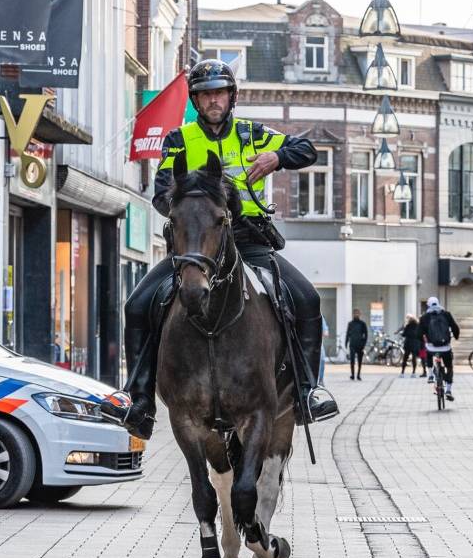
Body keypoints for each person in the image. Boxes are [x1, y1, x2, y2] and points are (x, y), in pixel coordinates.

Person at [116, 59, 339, 440]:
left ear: (231, 97)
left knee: (307, 300)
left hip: (249, 242)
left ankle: (307, 391)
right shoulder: (179, 140)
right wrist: (194, 217)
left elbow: (307, 150)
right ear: (196, 101)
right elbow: (161, 194)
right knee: (137, 305)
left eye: (219, 92)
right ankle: (138, 400)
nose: (213, 100)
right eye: (205, 95)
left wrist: (277, 157)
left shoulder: (253, 134)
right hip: (196, 246)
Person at [419, 297, 460, 400]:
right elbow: (455, 328)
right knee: (449, 366)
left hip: (431, 347)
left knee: (428, 353)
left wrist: (423, 340)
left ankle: (430, 375)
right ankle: (449, 389)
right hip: (445, 347)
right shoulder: (446, 314)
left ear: (428, 305)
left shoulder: (425, 317)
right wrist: (456, 336)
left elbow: (419, 333)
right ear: (438, 304)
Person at [346, 308, 369, 381]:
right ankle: (352, 375)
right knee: (352, 360)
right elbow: (348, 334)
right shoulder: (350, 324)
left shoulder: (362, 324)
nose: (356, 315)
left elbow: (366, 335)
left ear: (360, 314)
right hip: (352, 344)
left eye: (357, 313)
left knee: (360, 361)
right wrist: (346, 342)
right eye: (355, 313)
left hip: (360, 345)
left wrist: (364, 344)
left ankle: (358, 375)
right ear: (353, 314)